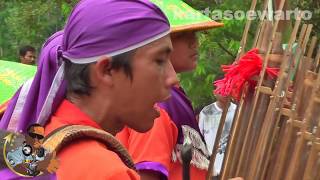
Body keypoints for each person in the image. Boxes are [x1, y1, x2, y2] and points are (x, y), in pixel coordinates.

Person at [0, 0, 178, 179]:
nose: (173, 78)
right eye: (159, 60)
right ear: (106, 70)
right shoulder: (106, 172)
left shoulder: (42, 137)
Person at [116, 1, 226, 179]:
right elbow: (146, 175)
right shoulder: (156, 104)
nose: (195, 42)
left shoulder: (172, 95)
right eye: (183, 35)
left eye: (195, 34)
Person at [198, 91, 237, 176]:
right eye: (221, 90)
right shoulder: (206, 112)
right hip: (211, 165)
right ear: (215, 93)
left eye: (227, 89)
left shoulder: (237, 111)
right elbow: (200, 137)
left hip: (232, 164)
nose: (225, 93)